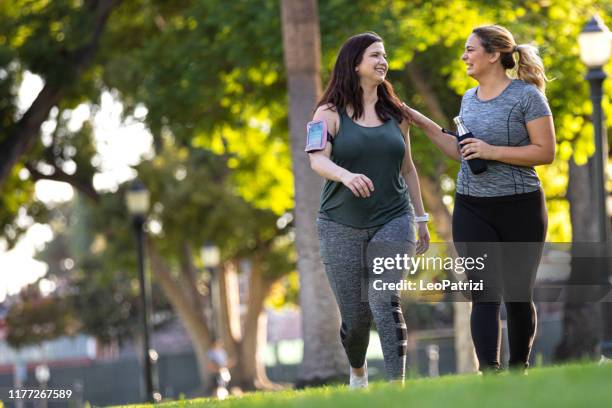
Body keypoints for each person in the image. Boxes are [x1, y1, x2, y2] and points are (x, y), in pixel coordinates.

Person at [404, 25, 555, 373]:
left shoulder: (527, 97)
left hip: (521, 207)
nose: (464, 56)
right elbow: (463, 152)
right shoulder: (469, 99)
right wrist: (422, 123)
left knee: (518, 297)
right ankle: (491, 376)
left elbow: (545, 152)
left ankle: (519, 371)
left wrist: (492, 150)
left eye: (470, 49)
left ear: (493, 55)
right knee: (483, 293)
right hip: (472, 206)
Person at [308, 32, 430, 387]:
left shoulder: (396, 114)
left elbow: (407, 168)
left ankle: (397, 389)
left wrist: (420, 217)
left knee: (383, 296)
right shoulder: (327, 113)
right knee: (356, 317)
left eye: (384, 55)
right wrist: (345, 176)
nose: (383, 61)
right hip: (338, 224)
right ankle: (358, 371)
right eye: (375, 55)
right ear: (355, 63)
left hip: (394, 217)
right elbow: (317, 159)